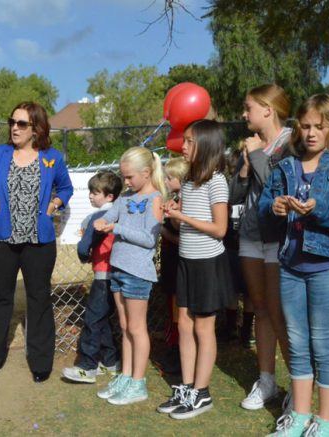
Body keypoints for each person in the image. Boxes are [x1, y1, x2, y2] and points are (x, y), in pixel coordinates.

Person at [0, 101, 73, 383]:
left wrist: (53, 206)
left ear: (36, 128)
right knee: (1, 297)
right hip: (1, 240)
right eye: (12, 122)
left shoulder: (52, 157)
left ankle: (40, 362)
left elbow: (66, 187)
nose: (15, 128)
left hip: (39, 242)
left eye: (22, 124)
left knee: (38, 298)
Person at [258, 94, 329, 437]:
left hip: (327, 267)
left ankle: (326, 422)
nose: (310, 133)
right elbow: (262, 214)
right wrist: (274, 208)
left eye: (319, 127)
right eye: (304, 126)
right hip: (290, 266)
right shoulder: (285, 167)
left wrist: (317, 210)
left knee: (325, 345)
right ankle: (301, 416)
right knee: (296, 342)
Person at [158, 119, 234, 419]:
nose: (183, 146)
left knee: (203, 327)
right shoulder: (189, 180)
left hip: (208, 264)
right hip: (187, 262)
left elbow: (220, 229)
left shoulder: (216, 181)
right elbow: (186, 222)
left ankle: (202, 393)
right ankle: (187, 387)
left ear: (206, 145)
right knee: (184, 325)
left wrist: (184, 219)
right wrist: (175, 215)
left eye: (189, 141)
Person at [230, 84, 293, 411]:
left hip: (278, 237)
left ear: (267, 109)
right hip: (251, 236)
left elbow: (279, 186)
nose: (244, 114)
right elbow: (235, 196)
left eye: (249, 107)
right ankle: (266, 381)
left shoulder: (291, 142)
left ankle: (299, 384)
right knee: (259, 307)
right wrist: (243, 167)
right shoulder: (251, 145)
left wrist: (256, 155)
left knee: (279, 311)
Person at [92, 146, 166, 405]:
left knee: (136, 327)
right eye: (123, 177)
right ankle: (126, 375)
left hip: (137, 273)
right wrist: (99, 223)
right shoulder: (124, 199)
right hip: (118, 269)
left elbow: (149, 239)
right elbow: (108, 216)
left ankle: (138, 382)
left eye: (129, 177)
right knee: (124, 327)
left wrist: (117, 228)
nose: (125, 182)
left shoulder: (155, 199)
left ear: (146, 173)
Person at [61, 170, 122, 383]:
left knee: (93, 320)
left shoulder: (98, 217)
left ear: (109, 196)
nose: (90, 196)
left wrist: (84, 254)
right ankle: (110, 361)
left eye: (95, 192)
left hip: (103, 275)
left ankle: (87, 366)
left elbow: (84, 245)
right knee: (103, 318)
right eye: (90, 192)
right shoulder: (120, 213)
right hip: (118, 273)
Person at [157, 157, 189, 376]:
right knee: (171, 308)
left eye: (170, 177)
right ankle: (173, 348)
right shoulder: (176, 199)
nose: (167, 182)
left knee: (178, 311)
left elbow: (183, 236)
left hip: (179, 264)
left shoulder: (185, 202)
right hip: (170, 263)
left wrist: (163, 229)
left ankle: (177, 353)